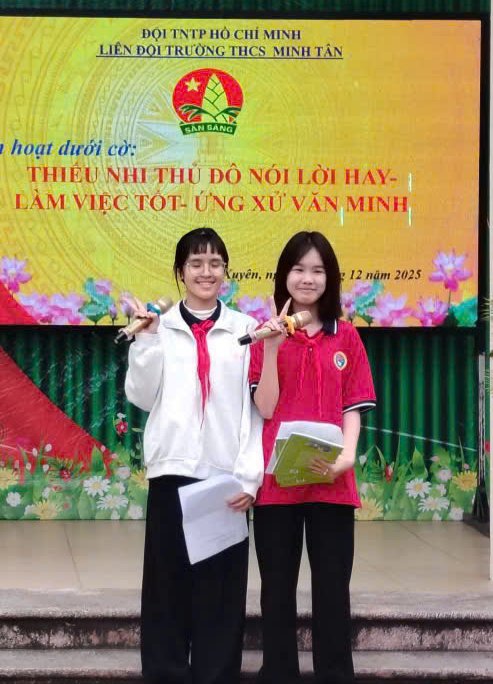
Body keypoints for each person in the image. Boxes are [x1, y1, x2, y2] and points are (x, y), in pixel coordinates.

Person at [122, 226, 263, 684]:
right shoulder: (160, 326)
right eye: (196, 263)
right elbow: (142, 397)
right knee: (166, 588)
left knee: (220, 592)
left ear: (226, 271)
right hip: (172, 473)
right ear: (180, 272)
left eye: (215, 263)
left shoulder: (245, 329)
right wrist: (146, 341)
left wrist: (250, 477)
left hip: (225, 479)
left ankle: (216, 674)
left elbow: (254, 410)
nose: (206, 272)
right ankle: (165, 673)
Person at [249, 230, 376, 684]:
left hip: (332, 480)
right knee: (276, 590)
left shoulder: (347, 337)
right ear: (284, 276)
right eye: (299, 269)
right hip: (277, 483)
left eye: (318, 270)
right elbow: (265, 408)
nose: (307, 278)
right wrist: (270, 347)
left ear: (331, 278)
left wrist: (349, 455)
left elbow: (353, 405)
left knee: (332, 589)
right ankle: (278, 672)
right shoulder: (264, 334)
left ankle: (336, 674)